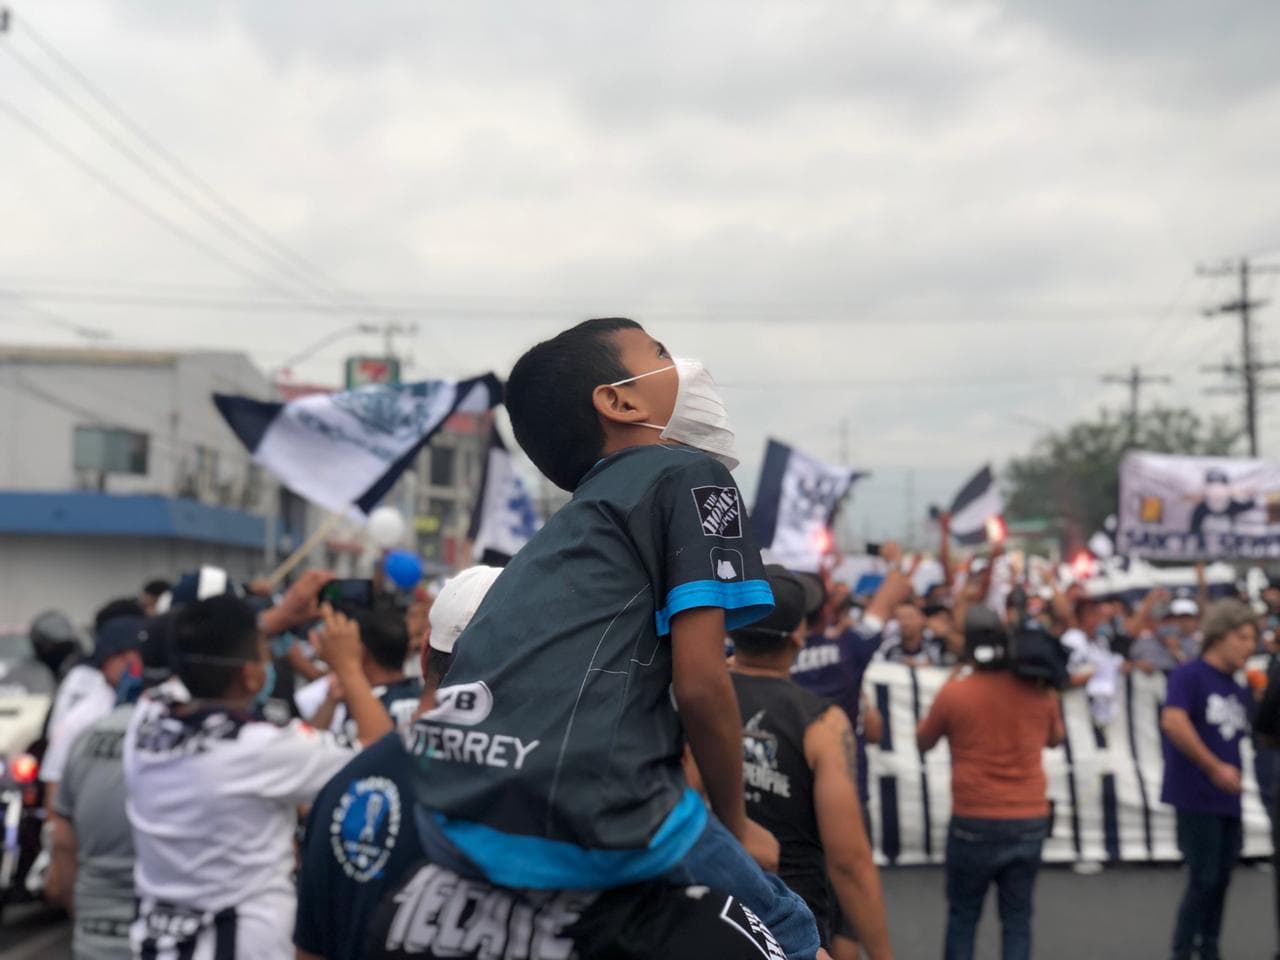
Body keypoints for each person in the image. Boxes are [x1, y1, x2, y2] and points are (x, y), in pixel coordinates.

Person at [410, 318, 819, 960]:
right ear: (620, 400)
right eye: (659, 352)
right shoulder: (689, 473)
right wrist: (736, 826)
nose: (682, 363)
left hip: (458, 812)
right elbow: (703, 684)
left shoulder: (573, 524)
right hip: (599, 811)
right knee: (791, 932)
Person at [124, 596, 393, 959]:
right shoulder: (262, 748)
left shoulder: (146, 720)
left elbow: (195, 654)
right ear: (251, 675)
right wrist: (348, 666)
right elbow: (381, 749)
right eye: (263, 654)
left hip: (158, 945)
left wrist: (269, 621)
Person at [729, 564, 893, 958]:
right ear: (799, 635)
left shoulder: (693, 696)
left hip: (716, 906)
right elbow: (849, 862)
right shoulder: (821, 723)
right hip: (793, 921)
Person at [917, 607, 1065, 960]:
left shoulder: (956, 691)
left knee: (963, 916)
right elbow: (1055, 739)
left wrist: (956, 679)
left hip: (974, 819)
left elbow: (924, 741)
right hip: (1029, 817)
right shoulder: (1038, 690)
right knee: (1016, 919)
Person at [1159, 599, 1256, 960]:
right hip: (1197, 792)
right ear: (1220, 637)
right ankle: (1183, 950)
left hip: (1227, 795)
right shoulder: (1190, 675)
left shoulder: (1237, 685)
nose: (1249, 646)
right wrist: (1213, 766)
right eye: (1242, 637)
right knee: (1203, 879)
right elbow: (1173, 721)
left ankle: (1210, 948)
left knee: (1221, 880)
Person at [299, 606, 424, 734]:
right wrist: (332, 699)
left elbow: (312, 749)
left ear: (361, 652)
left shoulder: (365, 709)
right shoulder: (428, 698)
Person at [1131, 598, 1201, 675]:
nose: (1167, 625)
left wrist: (1177, 652)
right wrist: (1136, 665)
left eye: (1170, 620)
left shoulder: (1190, 642)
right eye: (1163, 621)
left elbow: (1196, 671)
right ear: (1152, 622)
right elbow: (1128, 665)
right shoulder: (1144, 643)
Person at [877, 601, 944, 666]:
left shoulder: (934, 645)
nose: (905, 623)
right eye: (900, 618)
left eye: (910, 617)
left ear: (923, 619)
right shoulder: (888, 645)